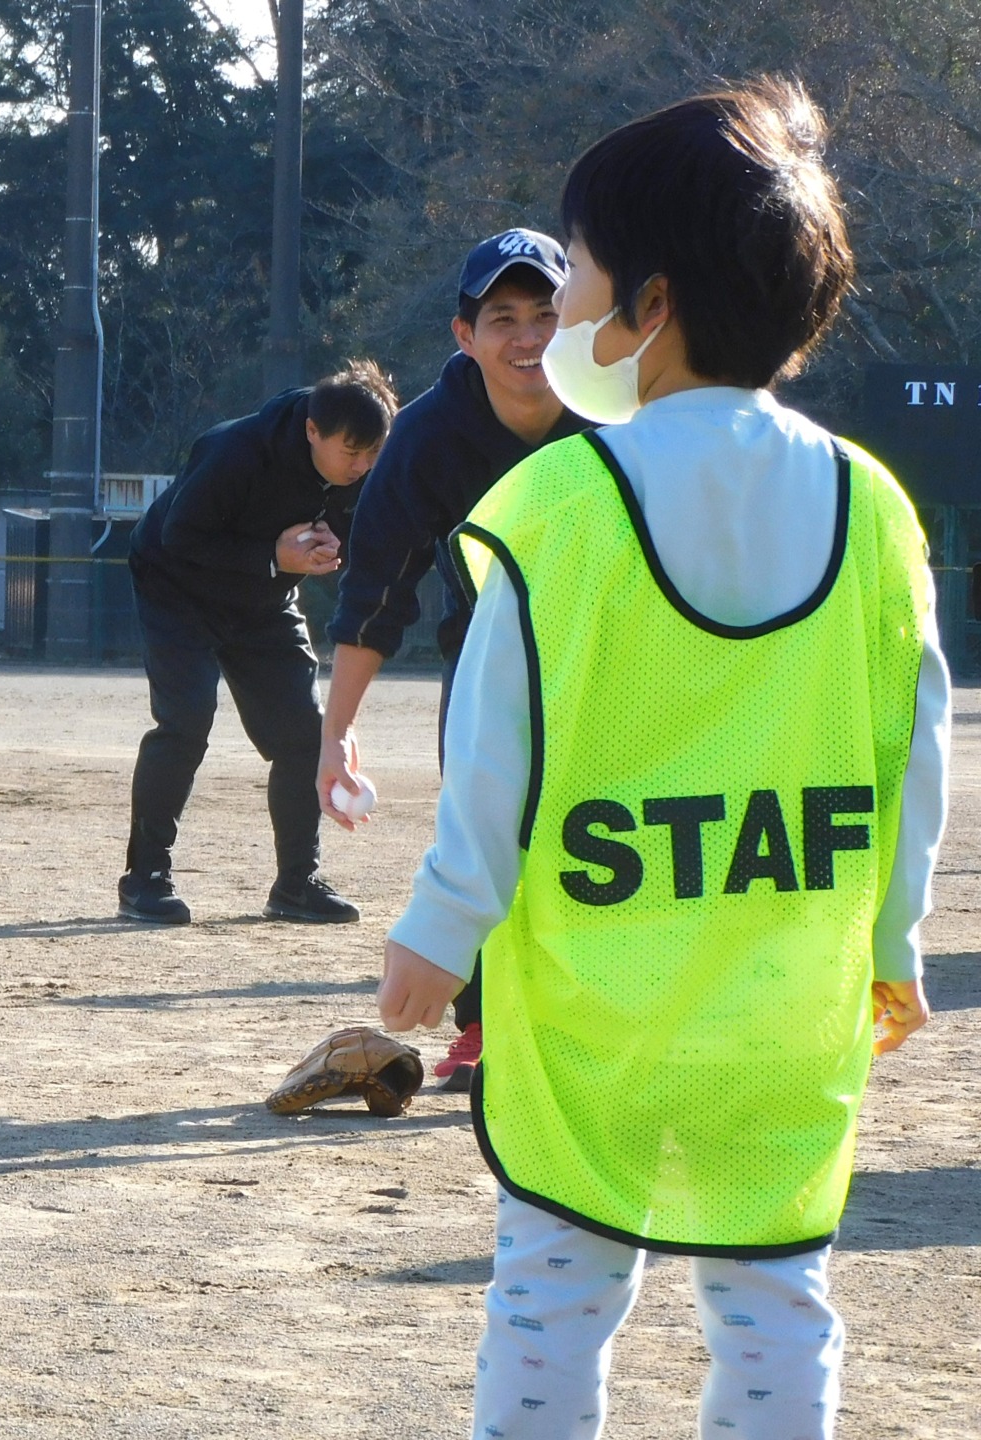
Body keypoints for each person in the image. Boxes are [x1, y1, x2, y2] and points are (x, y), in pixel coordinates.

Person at [374, 80, 947, 1437]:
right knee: (776, 1294)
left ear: (654, 305)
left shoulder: (552, 509)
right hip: (781, 1000)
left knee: (554, 1291)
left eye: (576, 266)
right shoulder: (875, 506)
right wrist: (899, 941)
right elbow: (912, 756)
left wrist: (436, 932)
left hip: (594, 1013)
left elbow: (492, 756)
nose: (559, 302)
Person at [319, 231, 591, 1089]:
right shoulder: (428, 438)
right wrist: (336, 735)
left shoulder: (621, 414)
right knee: (487, 828)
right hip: (488, 661)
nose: (528, 338)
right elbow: (376, 595)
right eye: (503, 318)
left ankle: (594, 1020)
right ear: (464, 336)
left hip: (616, 659)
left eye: (547, 315)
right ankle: (484, 1026)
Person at [119, 364, 398, 925]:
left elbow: (354, 530)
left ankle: (297, 884)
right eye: (352, 453)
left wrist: (324, 548)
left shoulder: (360, 465)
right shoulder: (236, 450)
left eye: (372, 453)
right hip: (176, 587)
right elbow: (180, 538)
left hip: (263, 600)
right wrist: (275, 556)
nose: (363, 466)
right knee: (186, 719)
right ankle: (145, 877)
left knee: (303, 733)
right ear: (312, 431)